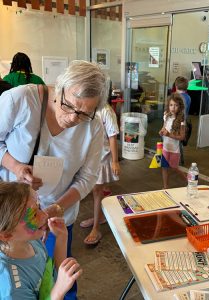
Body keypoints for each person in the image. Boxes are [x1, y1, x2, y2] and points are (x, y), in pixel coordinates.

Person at [0, 60, 107, 299]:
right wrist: (15, 166)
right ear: (58, 88)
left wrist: (56, 209)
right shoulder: (20, 100)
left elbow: (88, 177)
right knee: (21, 276)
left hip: (57, 215)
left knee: (58, 274)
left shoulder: (94, 126)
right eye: (68, 106)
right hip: (16, 218)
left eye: (83, 114)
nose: (71, 118)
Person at [0, 181, 82, 299]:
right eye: (33, 215)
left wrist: (61, 238)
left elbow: (50, 271)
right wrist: (59, 291)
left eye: (39, 207)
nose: (44, 215)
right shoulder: (13, 288)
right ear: (6, 235)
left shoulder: (30, 240)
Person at [80, 100, 121, 245]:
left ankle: (96, 228)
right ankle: (100, 217)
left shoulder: (106, 110)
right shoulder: (89, 106)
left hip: (102, 158)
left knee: (97, 191)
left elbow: (112, 136)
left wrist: (115, 161)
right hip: (89, 156)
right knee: (97, 189)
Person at [159, 93, 186, 189]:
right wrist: (162, 131)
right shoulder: (166, 116)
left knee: (174, 168)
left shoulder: (181, 120)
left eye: (176, 105)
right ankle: (165, 187)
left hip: (174, 150)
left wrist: (169, 134)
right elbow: (164, 127)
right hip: (165, 148)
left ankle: (187, 180)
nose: (173, 108)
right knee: (164, 167)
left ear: (180, 106)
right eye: (171, 105)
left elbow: (182, 137)